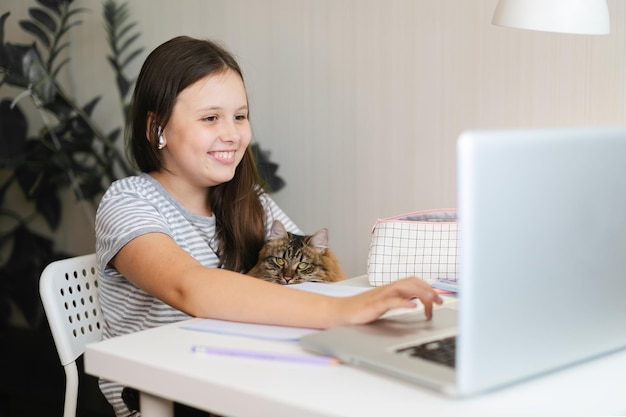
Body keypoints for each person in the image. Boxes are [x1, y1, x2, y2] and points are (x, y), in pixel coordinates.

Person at [95, 35, 443, 417]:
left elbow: (311, 272)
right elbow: (190, 287)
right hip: (165, 397)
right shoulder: (127, 202)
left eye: (240, 116)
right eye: (211, 118)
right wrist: (343, 311)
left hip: (242, 376)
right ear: (156, 128)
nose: (233, 133)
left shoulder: (249, 200)